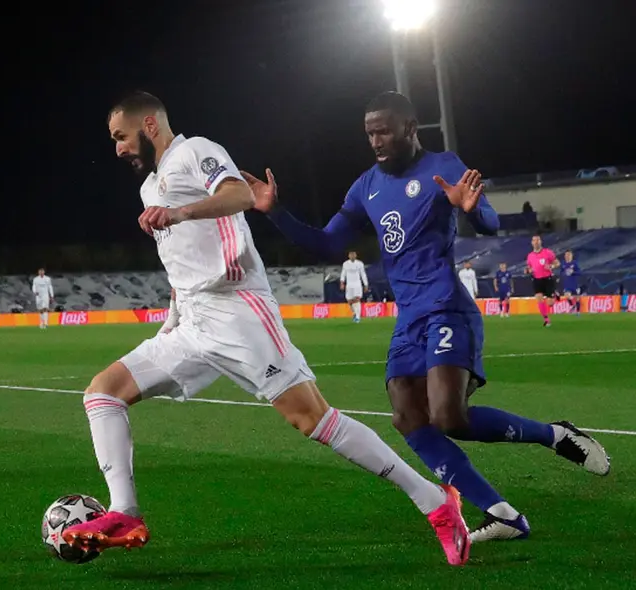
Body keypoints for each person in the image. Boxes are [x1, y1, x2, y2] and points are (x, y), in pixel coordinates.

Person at [63, 91, 471, 566]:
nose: (118, 148)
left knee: (312, 419)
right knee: (102, 394)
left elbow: (236, 194)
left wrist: (179, 212)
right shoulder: (149, 188)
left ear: (149, 125)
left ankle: (435, 501)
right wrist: (172, 316)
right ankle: (124, 512)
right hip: (191, 322)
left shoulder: (196, 152)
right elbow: (185, 259)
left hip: (238, 312)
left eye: (121, 136)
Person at [247, 91, 609, 544]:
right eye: (369, 133)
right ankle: (503, 515)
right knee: (407, 418)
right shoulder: (365, 186)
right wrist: (275, 212)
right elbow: (326, 244)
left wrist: (472, 209)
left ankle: (553, 435)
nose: (375, 140)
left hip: (446, 308)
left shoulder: (443, 165)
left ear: (410, 129)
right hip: (409, 320)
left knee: (449, 417)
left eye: (383, 131)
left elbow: (492, 223)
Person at [525, 235, 559, 327]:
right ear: (532, 243)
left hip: (547, 279)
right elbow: (528, 267)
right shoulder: (530, 256)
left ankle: (555, 294)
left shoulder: (548, 252)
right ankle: (546, 319)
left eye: (538, 240)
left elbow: (557, 263)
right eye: (534, 240)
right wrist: (528, 270)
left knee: (550, 303)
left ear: (541, 242)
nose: (536, 242)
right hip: (537, 279)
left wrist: (551, 266)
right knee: (539, 299)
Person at [340, 251, 369, 322]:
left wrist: (366, 284)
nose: (352, 256)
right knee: (350, 301)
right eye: (351, 255)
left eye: (353, 255)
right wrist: (342, 283)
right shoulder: (345, 264)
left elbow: (363, 274)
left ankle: (358, 317)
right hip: (349, 285)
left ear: (356, 256)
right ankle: (354, 313)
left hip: (357, 284)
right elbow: (343, 274)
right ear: (349, 256)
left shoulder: (360, 264)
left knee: (357, 299)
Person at [559, 250, 581, 315]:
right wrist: (564, 273)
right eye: (566, 255)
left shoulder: (575, 263)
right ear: (565, 256)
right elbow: (561, 272)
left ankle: (578, 312)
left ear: (571, 256)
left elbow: (580, 272)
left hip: (574, 284)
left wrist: (573, 272)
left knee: (577, 298)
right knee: (567, 296)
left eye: (569, 255)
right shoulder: (563, 264)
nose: (567, 256)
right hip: (567, 284)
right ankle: (572, 306)